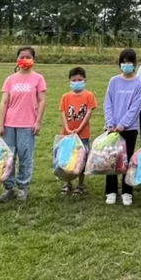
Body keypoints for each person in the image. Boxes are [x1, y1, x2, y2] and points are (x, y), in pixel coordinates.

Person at [0, 46, 47, 202]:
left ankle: (22, 187)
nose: (24, 60)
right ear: (17, 59)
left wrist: (38, 122)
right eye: (21, 57)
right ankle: (8, 188)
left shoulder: (38, 78)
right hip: (9, 124)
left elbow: (42, 101)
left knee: (25, 157)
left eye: (28, 57)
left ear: (33, 59)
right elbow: (4, 102)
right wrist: (0, 124)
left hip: (27, 125)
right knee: (8, 158)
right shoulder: (10, 79)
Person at [104, 49, 141, 206]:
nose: (126, 65)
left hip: (129, 129)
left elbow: (135, 108)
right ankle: (111, 191)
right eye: (123, 62)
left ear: (134, 64)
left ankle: (127, 192)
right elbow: (108, 102)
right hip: (111, 128)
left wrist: (122, 125)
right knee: (111, 160)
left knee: (127, 160)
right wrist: (110, 123)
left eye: (129, 62)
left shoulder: (138, 83)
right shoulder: (113, 81)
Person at [58, 66, 97, 196]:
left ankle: (80, 184)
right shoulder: (65, 97)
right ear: (69, 81)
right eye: (74, 80)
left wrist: (79, 129)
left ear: (85, 80)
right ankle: (67, 183)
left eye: (79, 80)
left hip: (83, 135)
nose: (76, 82)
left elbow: (89, 112)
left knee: (81, 159)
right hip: (67, 134)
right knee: (67, 159)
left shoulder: (89, 96)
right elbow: (63, 113)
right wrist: (67, 129)